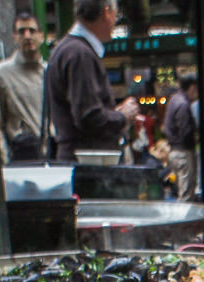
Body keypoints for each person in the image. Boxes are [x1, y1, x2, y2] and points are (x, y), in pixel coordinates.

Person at [45, 0, 139, 162]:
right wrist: (122, 116)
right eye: (116, 15)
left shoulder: (67, 49)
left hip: (77, 159)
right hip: (89, 164)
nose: (116, 21)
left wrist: (114, 113)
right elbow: (89, 117)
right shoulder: (80, 54)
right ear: (106, 13)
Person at [0, 12, 46, 162]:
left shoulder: (49, 72)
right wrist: (4, 160)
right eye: (21, 31)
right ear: (14, 37)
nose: (27, 36)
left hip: (49, 157)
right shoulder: (1, 74)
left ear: (41, 36)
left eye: (32, 31)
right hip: (20, 158)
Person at [163, 72, 199, 201]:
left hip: (174, 151)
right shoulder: (183, 104)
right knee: (186, 194)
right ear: (192, 87)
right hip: (183, 152)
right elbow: (186, 132)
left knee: (180, 191)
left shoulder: (174, 99)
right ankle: (185, 221)